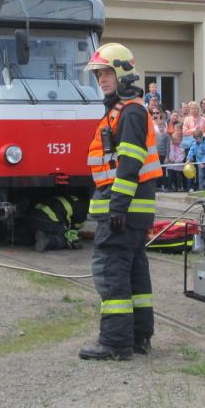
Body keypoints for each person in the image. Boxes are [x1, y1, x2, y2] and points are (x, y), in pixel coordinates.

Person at [80, 42, 161, 360]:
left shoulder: (128, 113)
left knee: (111, 272)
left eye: (107, 73)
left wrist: (116, 206)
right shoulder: (127, 111)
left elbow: (129, 163)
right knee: (134, 273)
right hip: (134, 210)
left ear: (123, 72)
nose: (102, 79)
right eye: (99, 74)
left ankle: (115, 342)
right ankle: (139, 336)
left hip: (124, 210)